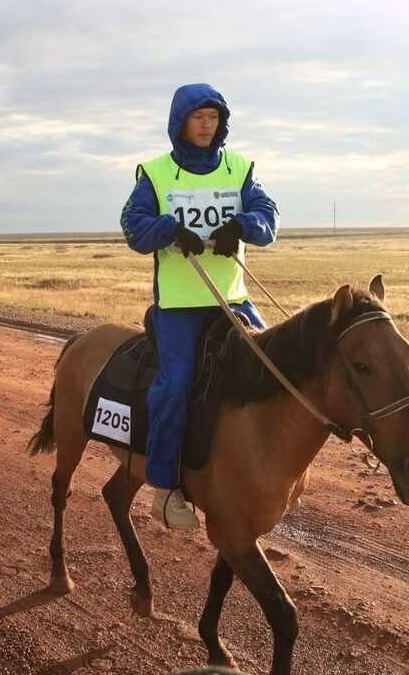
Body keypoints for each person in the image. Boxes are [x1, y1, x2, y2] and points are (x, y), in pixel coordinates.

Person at [120, 83, 279, 529]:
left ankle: (270, 474)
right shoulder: (154, 173)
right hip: (179, 306)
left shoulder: (240, 167)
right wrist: (169, 230)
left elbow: (269, 217)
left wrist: (244, 225)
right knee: (176, 384)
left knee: (276, 369)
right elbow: (134, 227)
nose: (207, 125)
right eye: (198, 117)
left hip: (232, 299)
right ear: (180, 122)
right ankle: (166, 487)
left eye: (213, 117)